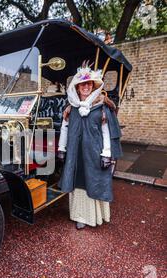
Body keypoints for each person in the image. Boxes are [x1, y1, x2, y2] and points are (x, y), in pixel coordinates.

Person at [57, 61, 122, 230]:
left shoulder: (102, 107)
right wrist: (62, 149)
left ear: (92, 86)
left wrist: (107, 153)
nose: (85, 86)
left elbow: (107, 131)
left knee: (94, 182)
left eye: (88, 83)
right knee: (78, 182)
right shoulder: (70, 108)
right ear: (77, 88)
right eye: (82, 84)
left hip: (94, 153)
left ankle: (97, 216)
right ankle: (80, 216)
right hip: (75, 153)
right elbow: (65, 128)